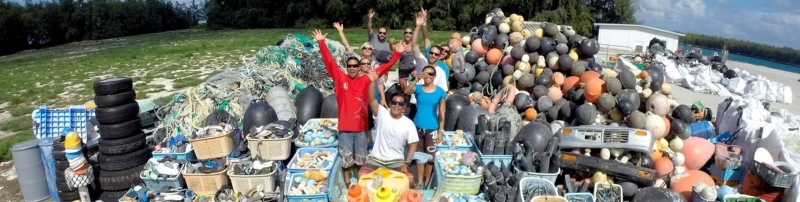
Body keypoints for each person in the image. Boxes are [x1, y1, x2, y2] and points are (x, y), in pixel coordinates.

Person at [313, 29, 406, 186]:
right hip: (344, 129)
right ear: (346, 67)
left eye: (355, 66)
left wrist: (396, 54)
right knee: (346, 159)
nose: (352, 68)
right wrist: (321, 42)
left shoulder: (366, 79)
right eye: (349, 65)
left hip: (361, 128)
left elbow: (384, 68)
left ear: (359, 67)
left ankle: (361, 182)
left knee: (361, 158)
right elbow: (329, 61)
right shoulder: (339, 77)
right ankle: (348, 182)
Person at [357, 69, 418, 187]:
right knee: (361, 177)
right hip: (376, 158)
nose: (396, 105)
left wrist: (407, 163)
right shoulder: (382, 113)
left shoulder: (408, 124)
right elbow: (371, 99)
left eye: (400, 104)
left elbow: (413, 145)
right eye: (394, 102)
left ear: (404, 107)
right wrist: (373, 82)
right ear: (389, 103)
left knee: (409, 180)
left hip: (396, 160)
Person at [403, 65, 446, 189]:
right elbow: (406, 91)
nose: (428, 76)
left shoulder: (440, 91)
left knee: (430, 158)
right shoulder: (418, 88)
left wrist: (440, 131)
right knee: (419, 156)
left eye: (431, 74)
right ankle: (420, 182)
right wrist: (416, 79)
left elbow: (442, 112)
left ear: (435, 76)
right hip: (417, 127)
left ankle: (427, 182)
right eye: (425, 73)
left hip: (432, 128)